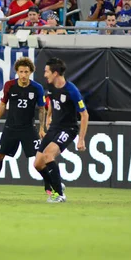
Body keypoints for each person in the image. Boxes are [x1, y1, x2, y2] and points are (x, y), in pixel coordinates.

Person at [0, 57, 46, 194]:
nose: (23, 75)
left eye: (26, 72)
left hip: (28, 128)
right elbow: (3, 104)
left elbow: (42, 108)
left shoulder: (37, 88)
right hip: (10, 127)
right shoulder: (9, 85)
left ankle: (48, 187)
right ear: (17, 72)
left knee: (39, 159)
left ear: (31, 72)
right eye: (21, 72)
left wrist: (42, 128)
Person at [34, 58, 88, 203]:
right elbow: (52, 100)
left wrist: (81, 139)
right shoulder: (51, 86)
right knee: (38, 164)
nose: (44, 74)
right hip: (54, 127)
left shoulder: (72, 91)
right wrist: (49, 116)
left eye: (47, 71)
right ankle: (58, 184)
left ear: (55, 73)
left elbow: (84, 114)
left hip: (68, 129)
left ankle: (59, 195)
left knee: (48, 155)